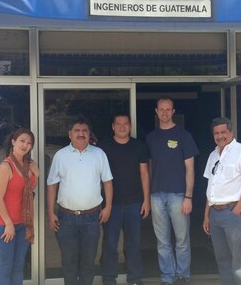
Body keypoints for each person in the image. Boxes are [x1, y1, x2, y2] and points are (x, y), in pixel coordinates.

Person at [46, 115, 114, 285]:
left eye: (84, 130)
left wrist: (108, 207)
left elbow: (107, 182)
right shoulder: (60, 156)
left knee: (88, 263)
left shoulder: (99, 154)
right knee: (69, 263)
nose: (81, 133)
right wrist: (50, 213)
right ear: (70, 134)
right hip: (66, 218)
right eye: (77, 130)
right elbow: (52, 185)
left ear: (89, 133)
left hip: (92, 217)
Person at [145, 96, 199, 285]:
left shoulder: (184, 136)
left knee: (182, 240)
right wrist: (148, 195)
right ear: (156, 111)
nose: (165, 112)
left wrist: (188, 196)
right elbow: (148, 168)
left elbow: (190, 168)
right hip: (156, 195)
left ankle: (182, 276)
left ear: (173, 112)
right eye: (161, 109)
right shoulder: (151, 138)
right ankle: (167, 277)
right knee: (162, 242)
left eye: (168, 109)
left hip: (178, 195)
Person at [202, 117, 241, 285]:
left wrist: (237, 210)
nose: (220, 136)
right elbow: (210, 187)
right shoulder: (213, 155)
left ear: (231, 132)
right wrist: (206, 216)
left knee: (239, 261)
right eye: (216, 133)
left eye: (223, 132)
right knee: (222, 259)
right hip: (215, 215)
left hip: (232, 213)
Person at [99, 113, 150, 285]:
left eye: (125, 123)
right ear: (112, 126)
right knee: (110, 244)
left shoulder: (139, 146)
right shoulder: (103, 146)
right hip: (110, 204)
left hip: (134, 203)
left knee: (133, 244)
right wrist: (104, 204)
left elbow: (144, 173)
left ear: (130, 126)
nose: (122, 127)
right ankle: (108, 279)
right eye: (118, 124)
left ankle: (135, 279)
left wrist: (146, 200)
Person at [0, 128, 40, 285]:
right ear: (13, 142)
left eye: (29, 143)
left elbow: (30, 189)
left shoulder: (29, 165)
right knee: (6, 266)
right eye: (22, 141)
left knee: (19, 267)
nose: (25, 145)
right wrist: (8, 223)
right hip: (6, 225)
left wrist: (36, 174)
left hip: (23, 224)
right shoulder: (6, 166)